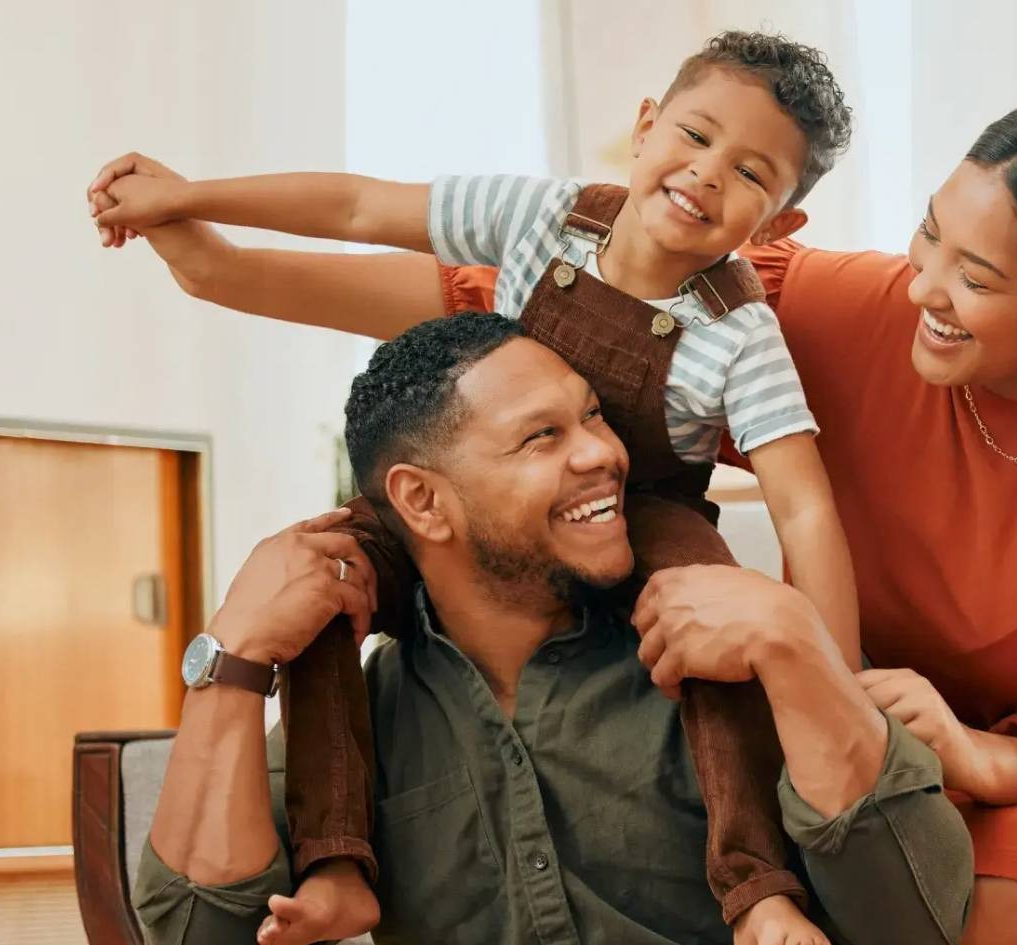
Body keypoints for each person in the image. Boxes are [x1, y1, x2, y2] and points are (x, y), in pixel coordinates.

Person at [104, 91, 1017, 940]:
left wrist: (963, 748)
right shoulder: (830, 311)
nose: (926, 291)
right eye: (929, 237)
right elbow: (525, 315)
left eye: (978, 279)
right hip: (842, 753)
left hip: (972, 765)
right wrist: (213, 263)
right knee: (1002, 901)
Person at [88, 31, 858, 945]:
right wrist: (189, 197)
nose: (706, 173)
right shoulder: (544, 215)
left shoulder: (740, 334)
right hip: (481, 479)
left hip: (644, 509)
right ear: (647, 124)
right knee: (320, 576)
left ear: (777, 226)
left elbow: (805, 507)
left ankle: (758, 884)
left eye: (751, 174)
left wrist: (836, 676)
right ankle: (335, 860)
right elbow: (358, 205)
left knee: (720, 638)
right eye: (695, 135)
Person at [132, 313, 973, 945]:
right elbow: (196, 931)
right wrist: (231, 658)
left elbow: (917, 920)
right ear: (423, 501)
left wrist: (795, 639)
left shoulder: (734, 658)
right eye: (542, 437)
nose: (603, 453)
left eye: (594, 415)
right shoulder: (356, 726)